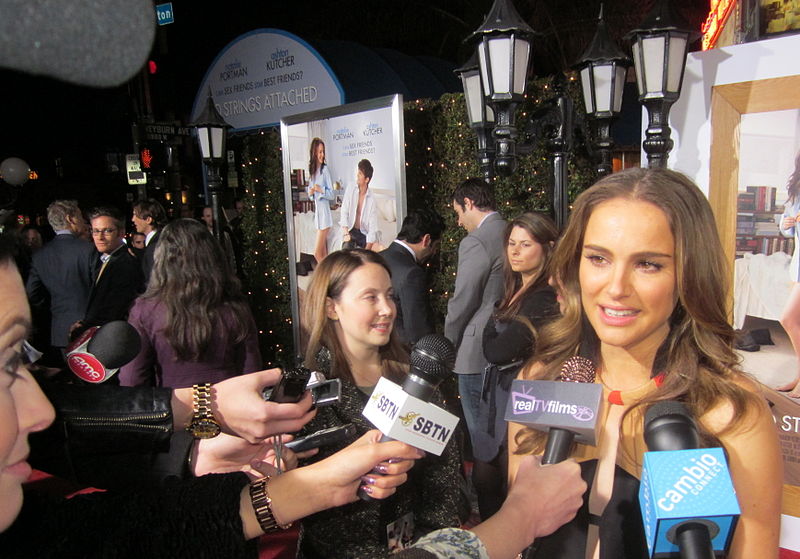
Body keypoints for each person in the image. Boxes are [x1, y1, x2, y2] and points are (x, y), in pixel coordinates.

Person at [507, 168, 782, 559]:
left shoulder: (731, 413)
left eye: (648, 264)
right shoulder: (539, 381)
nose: (616, 288)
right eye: (599, 258)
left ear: (688, 273)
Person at [299, 249, 462, 558]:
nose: (387, 309)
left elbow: (444, 481)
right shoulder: (308, 393)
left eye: (390, 296)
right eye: (370, 297)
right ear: (332, 308)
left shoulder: (419, 379)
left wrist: (431, 545)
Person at [473, 212, 559, 518]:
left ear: (548, 248)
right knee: (485, 478)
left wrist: (488, 327)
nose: (515, 251)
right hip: (497, 395)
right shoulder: (512, 290)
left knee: (509, 481)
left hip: (521, 399)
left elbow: (497, 351)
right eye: (511, 243)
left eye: (525, 244)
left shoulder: (543, 297)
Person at [119, 219, 261, 389]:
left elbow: (132, 379)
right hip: (229, 409)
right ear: (213, 257)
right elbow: (251, 373)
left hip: (174, 408)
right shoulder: (234, 306)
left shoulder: (145, 310)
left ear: (162, 259)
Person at [443, 177, 506, 520]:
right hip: (509, 347)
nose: (458, 222)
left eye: (457, 212)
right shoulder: (513, 232)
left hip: (475, 353)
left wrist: (446, 344)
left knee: (482, 444)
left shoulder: (477, 241)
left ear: (468, 202)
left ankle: (488, 519)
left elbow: (463, 300)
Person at [26, 200, 96, 356]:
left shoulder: (40, 255)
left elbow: (32, 293)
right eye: (79, 215)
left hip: (60, 329)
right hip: (92, 328)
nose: (83, 220)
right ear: (71, 219)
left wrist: (52, 308)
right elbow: (101, 286)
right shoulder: (89, 250)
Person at [69, 206, 143, 340]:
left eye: (107, 231)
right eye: (96, 231)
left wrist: (84, 328)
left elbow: (113, 310)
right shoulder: (103, 259)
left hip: (112, 339)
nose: (100, 237)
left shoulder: (125, 264)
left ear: (121, 233)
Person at [379, 208, 445, 344]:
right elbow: (418, 331)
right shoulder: (412, 274)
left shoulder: (377, 258)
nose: (434, 252)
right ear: (426, 240)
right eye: (436, 246)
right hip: (403, 356)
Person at [778, 151, 800, 397]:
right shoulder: (796, 188)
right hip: (798, 262)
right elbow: (785, 225)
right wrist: (785, 224)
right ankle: (798, 376)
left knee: (789, 319)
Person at [340, 158, 380, 251]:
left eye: (360, 174)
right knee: (346, 252)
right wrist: (346, 233)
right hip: (350, 230)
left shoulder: (372, 200)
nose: (357, 175)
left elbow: (372, 228)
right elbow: (344, 211)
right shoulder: (351, 188)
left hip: (363, 234)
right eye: (358, 172)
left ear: (367, 179)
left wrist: (367, 250)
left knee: (377, 250)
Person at [307, 137, 334, 264]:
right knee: (323, 255)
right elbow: (310, 194)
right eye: (319, 152)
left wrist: (320, 189)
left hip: (325, 216)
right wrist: (311, 193)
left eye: (323, 151)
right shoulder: (312, 171)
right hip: (318, 216)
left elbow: (332, 195)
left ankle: (325, 279)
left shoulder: (325, 170)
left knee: (317, 254)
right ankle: (329, 280)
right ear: (314, 153)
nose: (322, 154)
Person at [131, 198, 167, 285]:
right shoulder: (162, 239)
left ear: (148, 219)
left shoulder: (155, 246)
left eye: (135, 215)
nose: (133, 219)